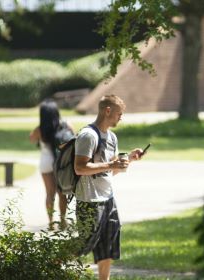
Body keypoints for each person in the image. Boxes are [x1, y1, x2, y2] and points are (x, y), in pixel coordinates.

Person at [73, 95, 143, 280]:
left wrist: (128, 160)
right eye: (119, 114)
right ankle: (45, 266)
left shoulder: (112, 137)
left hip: (108, 199)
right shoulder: (88, 135)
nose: (121, 117)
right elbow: (80, 168)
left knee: (108, 248)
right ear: (108, 111)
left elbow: (109, 171)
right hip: (89, 201)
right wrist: (112, 165)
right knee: (83, 245)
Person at [29, 100, 73, 230]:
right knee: (62, 193)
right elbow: (73, 139)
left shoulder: (39, 129)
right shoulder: (66, 124)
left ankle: (51, 222)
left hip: (46, 162)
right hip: (61, 162)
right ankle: (63, 221)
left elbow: (31, 139)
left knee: (49, 194)